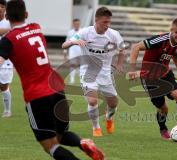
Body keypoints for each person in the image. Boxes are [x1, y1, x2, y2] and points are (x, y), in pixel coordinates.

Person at [0, 0, 104, 160]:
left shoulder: (8, 41)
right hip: (57, 89)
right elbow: (16, 30)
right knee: (61, 134)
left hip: (37, 95)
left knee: (51, 146)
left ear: (6, 16)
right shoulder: (36, 28)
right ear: (26, 15)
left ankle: (82, 144)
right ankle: (82, 142)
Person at [128, 18, 177, 141]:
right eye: (176, 32)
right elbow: (135, 47)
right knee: (163, 109)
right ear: (171, 30)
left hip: (165, 73)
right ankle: (163, 129)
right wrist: (132, 69)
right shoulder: (160, 40)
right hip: (150, 77)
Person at [62, 6, 125, 137]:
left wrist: (119, 64)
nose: (107, 25)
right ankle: (96, 128)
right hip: (88, 71)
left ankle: (109, 118)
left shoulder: (114, 34)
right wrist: (74, 41)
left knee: (113, 103)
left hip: (105, 73)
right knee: (92, 100)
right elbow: (64, 45)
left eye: (109, 22)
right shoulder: (85, 32)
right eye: (104, 22)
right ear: (96, 20)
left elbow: (122, 50)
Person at [0, 0, 13, 118]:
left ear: (5, 9)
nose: (0, 8)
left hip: (5, 59)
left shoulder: (8, 23)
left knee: (3, 85)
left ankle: (7, 110)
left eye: (2, 6)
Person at [63, 18, 81, 84]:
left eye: (78, 24)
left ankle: (81, 80)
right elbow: (66, 43)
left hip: (80, 50)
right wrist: (65, 54)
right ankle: (72, 79)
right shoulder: (70, 32)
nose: (77, 25)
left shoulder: (82, 31)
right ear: (73, 24)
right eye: (76, 24)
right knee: (72, 65)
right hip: (72, 50)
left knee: (81, 66)